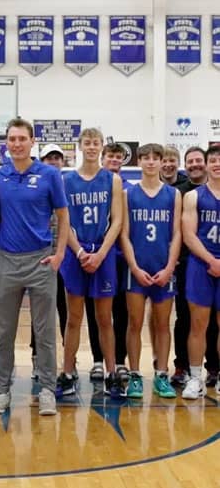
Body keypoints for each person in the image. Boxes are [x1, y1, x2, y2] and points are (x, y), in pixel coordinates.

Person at [0, 117, 69, 417]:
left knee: (45, 331)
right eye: (12, 139)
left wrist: (59, 253)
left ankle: (47, 390)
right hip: (8, 261)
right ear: (6, 144)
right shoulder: (0, 177)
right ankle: (1, 390)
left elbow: (63, 216)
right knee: (4, 332)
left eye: (22, 139)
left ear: (32, 142)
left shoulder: (49, 174)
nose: (17, 144)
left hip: (41, 260)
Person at [57, 128, 124, 398]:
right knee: (73, 318)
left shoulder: (112, 180)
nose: (92, 147)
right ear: (80, 146)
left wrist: (100, 253)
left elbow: (117, 220)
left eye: (96, 143)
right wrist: (80, 252)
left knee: (104, 318)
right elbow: (64, 221)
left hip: (103, 254)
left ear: (101, 147)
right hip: (76, 254)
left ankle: (111, 374)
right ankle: (68, 372)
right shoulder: (66, 180)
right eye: (88, 143)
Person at [121, 143, 181, 399]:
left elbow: (178, 233)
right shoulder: (128, 194)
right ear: (139, 161)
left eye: (156, 158)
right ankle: (135, 376)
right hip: (136, 269)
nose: (151, 162)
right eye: (145, 158)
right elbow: (123, 234)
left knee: (162, 324)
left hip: (163, 269)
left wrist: (169, 267)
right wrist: (133, 266)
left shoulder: (173, 195)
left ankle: (161, 374)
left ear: (161, 162)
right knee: (134, 323)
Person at [171, 147, 219, 387]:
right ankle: (193, 375)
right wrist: (211, 261)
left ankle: (217, 373)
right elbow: (188, 234)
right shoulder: (191, 196)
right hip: (199, 264)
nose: (216, 164)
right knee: (194, 323)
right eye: (213, 160)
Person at [85, 142, 131, 381]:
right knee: (95, 312)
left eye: (118, 157)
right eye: (110, 156)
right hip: (96, 255)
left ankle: (120, 360)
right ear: (102, 157)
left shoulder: (128, 189)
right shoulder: (89, 184)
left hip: (121, 258)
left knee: (120, 311)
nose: (114, 160)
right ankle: (97, 360)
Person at [29, 143, 68, 379]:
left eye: (57, 157)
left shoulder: (69, 186)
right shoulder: (35, 187)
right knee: (40, 313)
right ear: (41, 161)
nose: (53, 161)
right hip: (41, 258)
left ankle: (66, 360)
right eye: (49, 158)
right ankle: (36, 359)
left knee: (66, 311)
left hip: (65, 259)